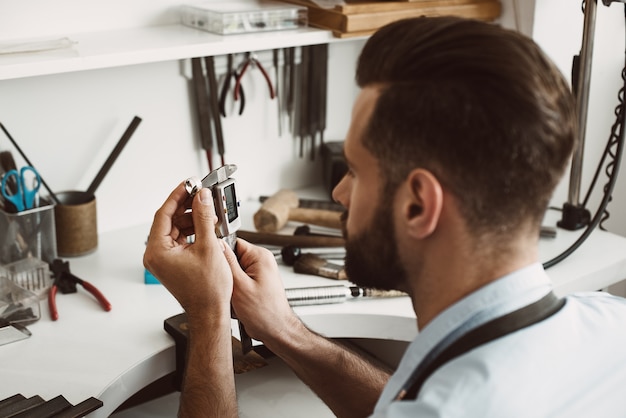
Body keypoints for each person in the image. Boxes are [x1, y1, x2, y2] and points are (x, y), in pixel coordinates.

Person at [144, 16, 626, 418]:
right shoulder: (611, 325)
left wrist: (209, 316)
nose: (338, 192)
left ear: (418, 204)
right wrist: (282, 329)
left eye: (354, 170)